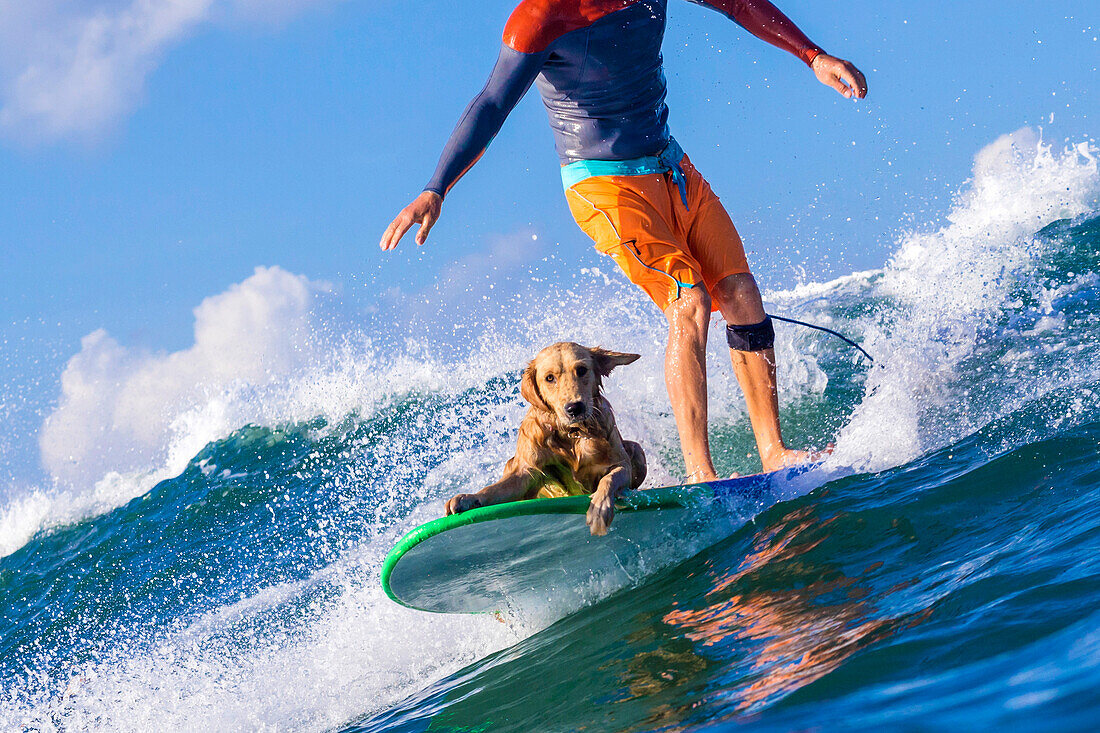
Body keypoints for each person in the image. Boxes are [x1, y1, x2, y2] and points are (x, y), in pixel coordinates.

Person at [381, 0, 867, 480]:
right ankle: (702, 473)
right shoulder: (540, 16)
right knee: (690, 300)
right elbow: (491, 103)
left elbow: (738, 3)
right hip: (602, 183)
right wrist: (435, 188)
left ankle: (774, 452)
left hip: (671, 167)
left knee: (741, 295)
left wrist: (814, 56)